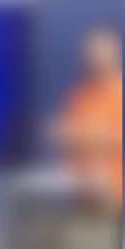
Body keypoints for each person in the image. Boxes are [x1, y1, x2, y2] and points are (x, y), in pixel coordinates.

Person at [51, 28, 122, 209]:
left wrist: (94, 136)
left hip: (115, 196)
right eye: (91, 54)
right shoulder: (79, 95)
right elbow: (65, 134)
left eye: (102, 53)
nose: (97, 59)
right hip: (82, 194)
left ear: (114, 54)